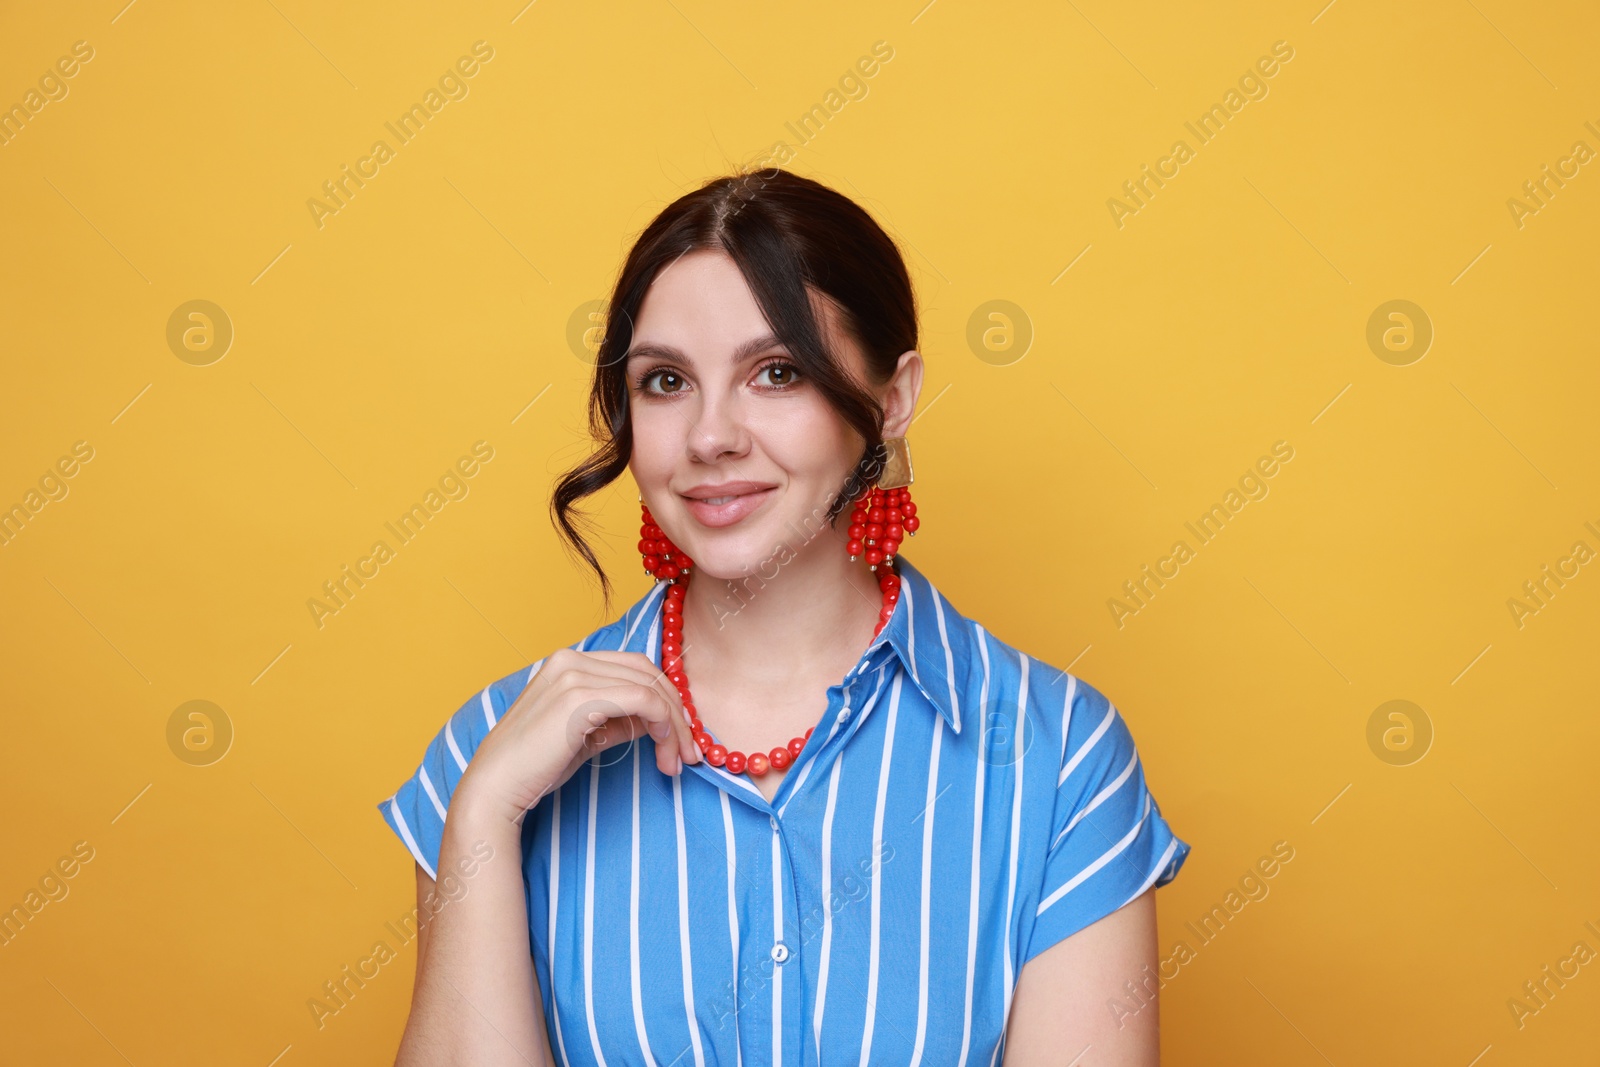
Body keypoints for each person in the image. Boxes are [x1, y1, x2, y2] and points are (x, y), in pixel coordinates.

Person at [377, 167, 1191, 1066]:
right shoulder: (488, 753)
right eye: (663, 381)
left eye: (775, 372)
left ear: (893, 398)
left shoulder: (1061, 757)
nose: (710, 436)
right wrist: (485, 813)